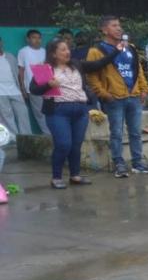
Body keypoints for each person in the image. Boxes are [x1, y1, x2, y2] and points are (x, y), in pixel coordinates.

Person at [28, 38, 117, 188]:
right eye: (63, 49)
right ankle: (56, 177)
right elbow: (33, 90)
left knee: (76, 145)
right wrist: (48, 85)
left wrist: (117, 51)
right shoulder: (45, 68)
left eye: (68, 49)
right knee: (63, 144)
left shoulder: (76, 64)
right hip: (58, 111)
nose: (67, 52)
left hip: (80, 110)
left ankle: (75, 175)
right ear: (53, 54)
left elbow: (99, 63)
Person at [86, 16, 148, 177]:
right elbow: (92, 76)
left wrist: (144, 88)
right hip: (114, 97)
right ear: (104, 30)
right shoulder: (96, 51)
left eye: (119, 25)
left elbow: (138, 69)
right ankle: (119, 164)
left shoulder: (130, 47)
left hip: (134, 96)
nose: (119, 28)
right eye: (114, 25)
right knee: (116, 133)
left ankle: (138, 163)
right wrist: (104, 94)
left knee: (136, 132)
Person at [17, 29, 48, 134]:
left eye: (39, 38)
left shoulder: (45, 51)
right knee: (40, 113)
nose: (37, 40)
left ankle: (53, 134)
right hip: (33, 88)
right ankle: (48, 135)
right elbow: (21, 71)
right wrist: (22, 89)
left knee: (51, 111)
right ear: (28, 39)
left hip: (48, 86)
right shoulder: (23, 51)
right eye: (34, 38)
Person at [0, 36, 31, 136]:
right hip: (1, 93)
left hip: (15, 90)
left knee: (23, 113)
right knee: (7, 117)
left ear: (2, 43)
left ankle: (26, 137)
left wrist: (22, 89)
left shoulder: (10, 56)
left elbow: (17, 74)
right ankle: (14, 139)